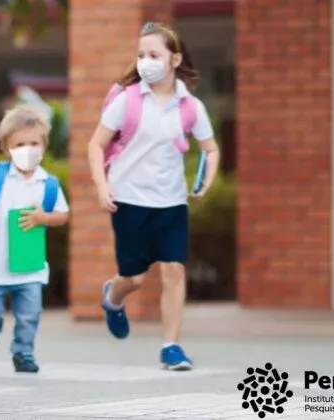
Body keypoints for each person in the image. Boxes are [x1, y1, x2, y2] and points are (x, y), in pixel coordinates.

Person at [86, 22, 220, 371]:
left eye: (154, 54)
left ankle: (171, 346)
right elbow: (96, 144)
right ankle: (113, 299)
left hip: (171, 202)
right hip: (128, 200)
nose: (146, 61)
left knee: (174, 270)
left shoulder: (189, 105)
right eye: (142, 55)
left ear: (174, 59)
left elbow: (211, 148)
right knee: (135, 278)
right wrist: (102, 186)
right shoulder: (128, 100)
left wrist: (206, 180)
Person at [0, 105, 69, 373]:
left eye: (34, 143)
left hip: (31, 266)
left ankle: (23, 352)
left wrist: (44, 218)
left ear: (44, 145)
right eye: (20, 143)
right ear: (6, 147)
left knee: (30, 314)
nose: (28, 149)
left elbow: (63, 214)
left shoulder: (48, 183)